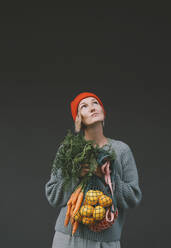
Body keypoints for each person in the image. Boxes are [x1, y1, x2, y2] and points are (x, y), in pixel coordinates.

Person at [45, 92, 142, 248]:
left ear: (103, 112)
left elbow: (133, 197)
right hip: (68, 239)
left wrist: (107, 177)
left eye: (95, 103)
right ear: (78, 119)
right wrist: (76, 176)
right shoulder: (68, 150)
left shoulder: (121, 150)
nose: (92, 108)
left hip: (106, 241)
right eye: (84, 106)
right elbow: (53, 195)